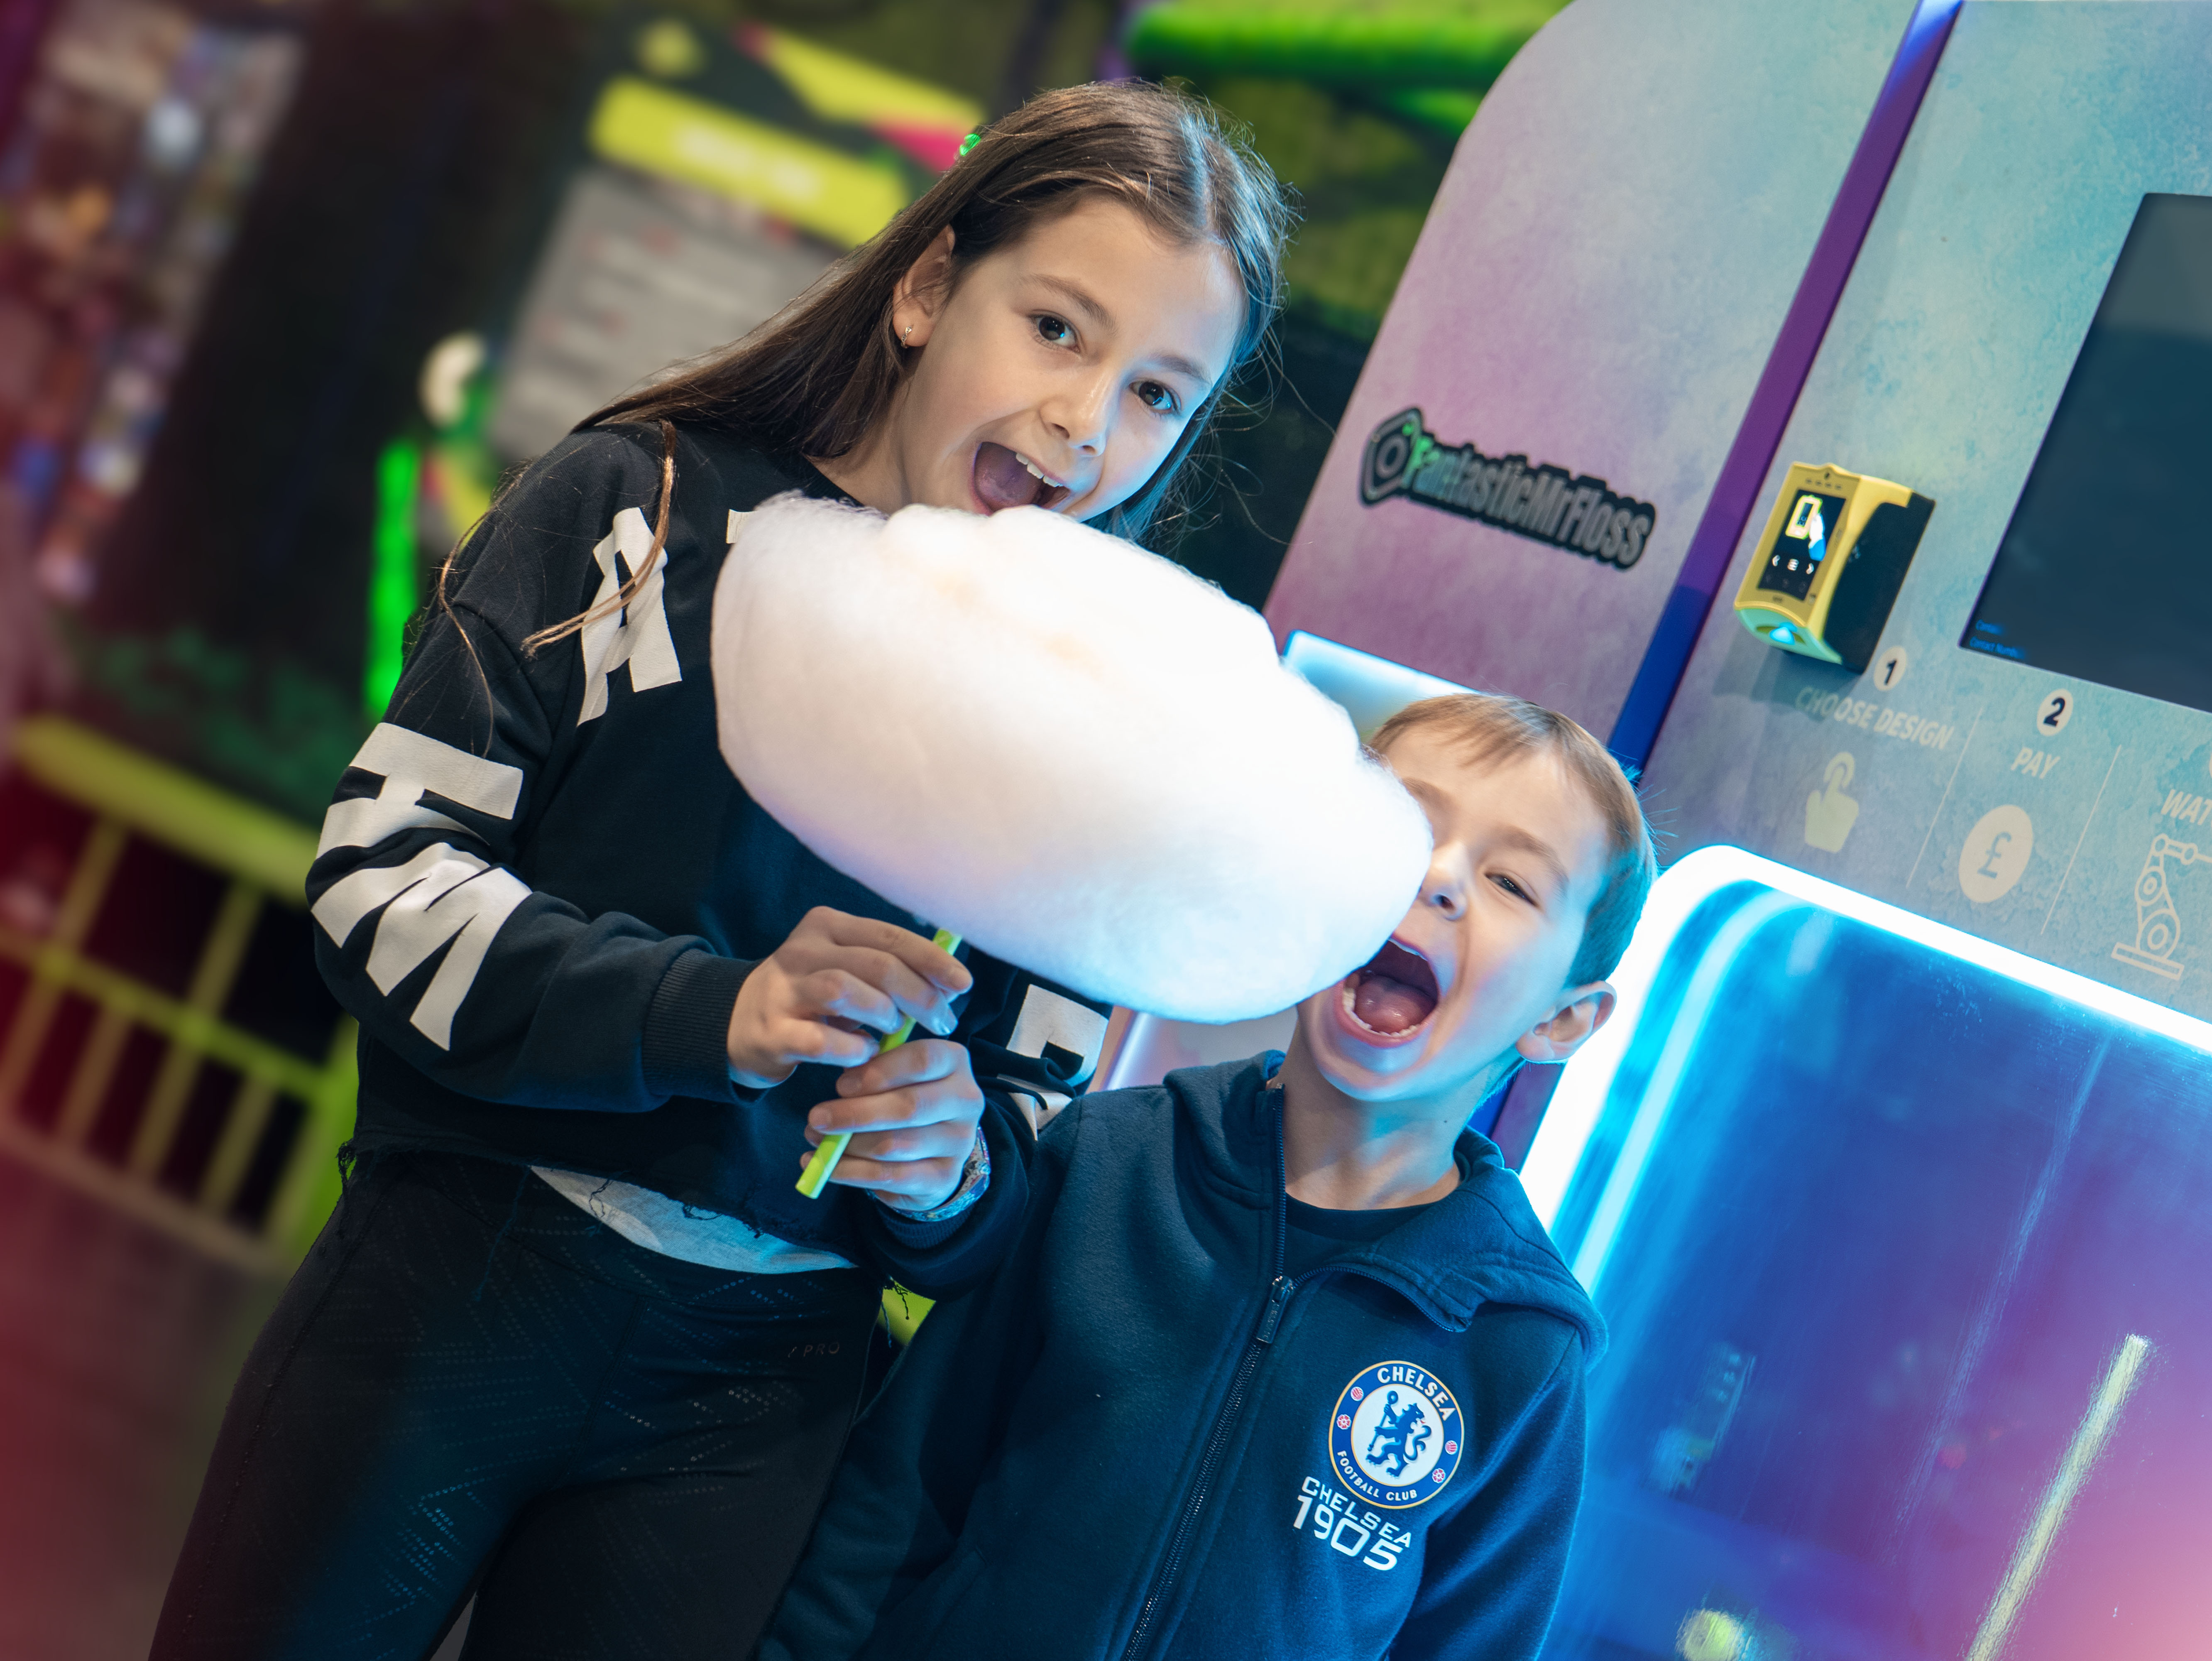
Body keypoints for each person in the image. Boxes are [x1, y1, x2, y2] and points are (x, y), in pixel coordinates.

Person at [152, 81, 1291, 1661]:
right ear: (922, 287)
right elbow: (381, 879)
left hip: (768, 1393)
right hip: (451, 1281)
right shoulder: (641, 503)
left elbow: (1017, 1162)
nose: (1089, 423)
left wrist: (952, 1165)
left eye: (1163, 392)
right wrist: (719, 1012)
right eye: (1056, 328)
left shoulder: (1102, 731)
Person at [760, 692, 1659, 1661]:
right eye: (1406, 826)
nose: (1438, 876)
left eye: (1513, 881)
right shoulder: (1107, 1160)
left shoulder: (1517, 1347)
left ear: (1566, 1019)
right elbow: (897, 1499)